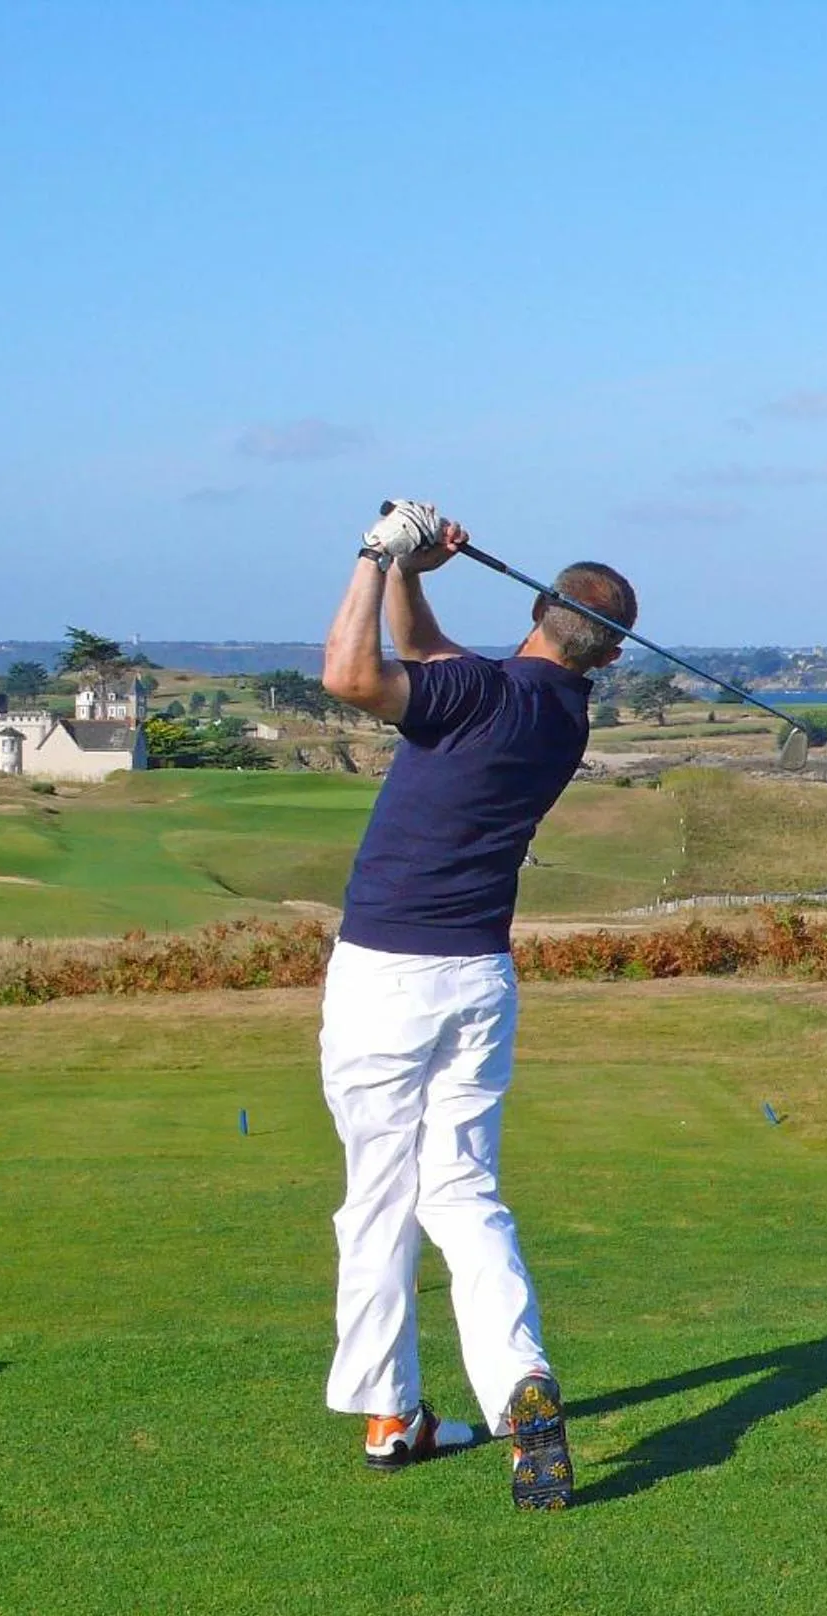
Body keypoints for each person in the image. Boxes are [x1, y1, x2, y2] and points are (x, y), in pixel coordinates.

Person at [315, 498, 631, 1510]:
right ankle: (515, 1384)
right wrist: (416, 576)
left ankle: (390, 1413)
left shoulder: (480, 692)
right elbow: (432, 656)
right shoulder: (558, 713)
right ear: (606, 656)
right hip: (479, 982)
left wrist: (375, 554)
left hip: (385, 977)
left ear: (538, 612)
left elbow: (351, 676)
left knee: (377, 1199)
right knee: (461, 1191)